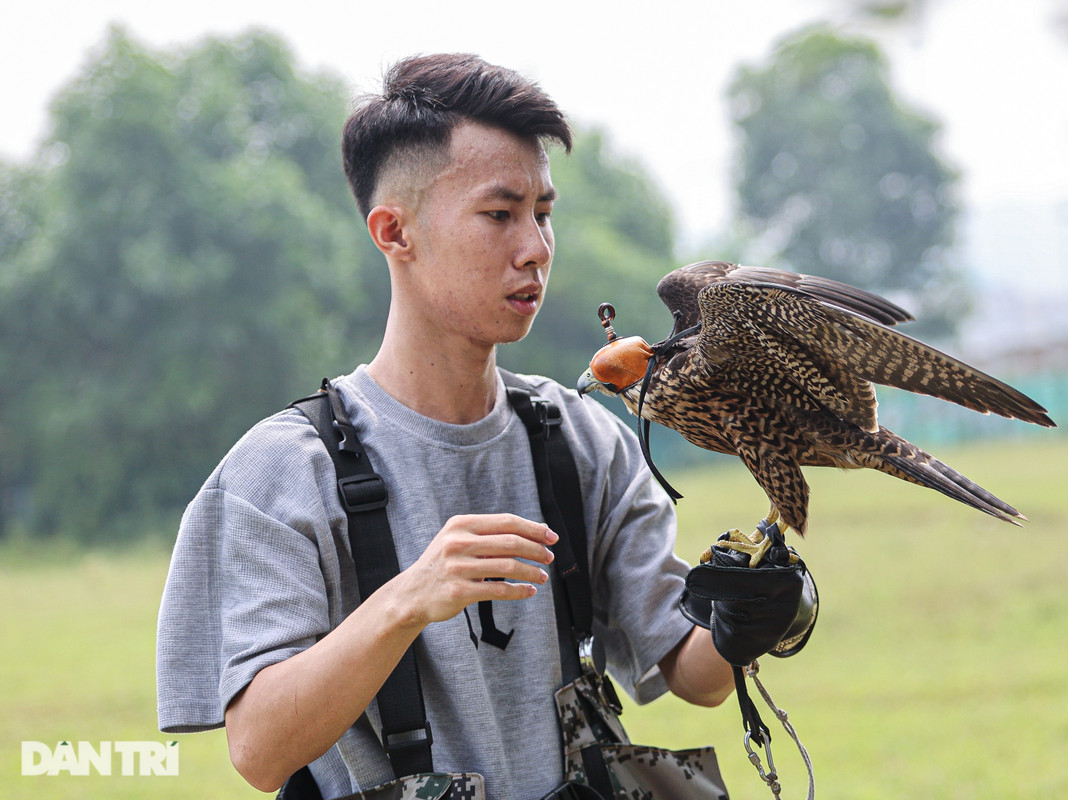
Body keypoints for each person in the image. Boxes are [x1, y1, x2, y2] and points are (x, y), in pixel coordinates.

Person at [156, 53, 738, 799]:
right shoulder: (283, 470)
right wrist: (410, 597)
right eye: (500, 214)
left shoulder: (579, 438)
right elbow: (260, 751)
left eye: (544, 213)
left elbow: (693, 673)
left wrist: (750, 614)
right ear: (394, 231)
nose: (534, 247)